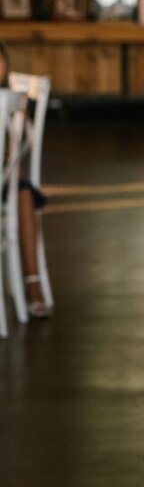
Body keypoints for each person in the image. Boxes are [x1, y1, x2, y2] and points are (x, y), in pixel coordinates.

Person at [0, 40, 50, 318]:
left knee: (23, 191)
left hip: (5, 177)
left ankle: (33, 284)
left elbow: (21, 145)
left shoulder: (12, 100)